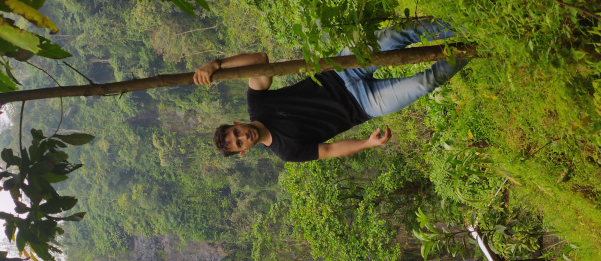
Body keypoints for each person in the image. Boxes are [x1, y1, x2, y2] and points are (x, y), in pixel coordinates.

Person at [193, 20, 467, 162]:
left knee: (398, 35)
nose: (243, 136)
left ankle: (466, 25)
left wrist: (217, 64)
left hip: (341, 71)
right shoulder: (287, 151)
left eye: (236, 133)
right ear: (244, 151)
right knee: (425, 83)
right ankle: (472, 49)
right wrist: (367, 143)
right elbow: (330, 149)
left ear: (236, 123)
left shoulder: (257, 101)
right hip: (363, 106)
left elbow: (260, 60)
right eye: (240, 143)